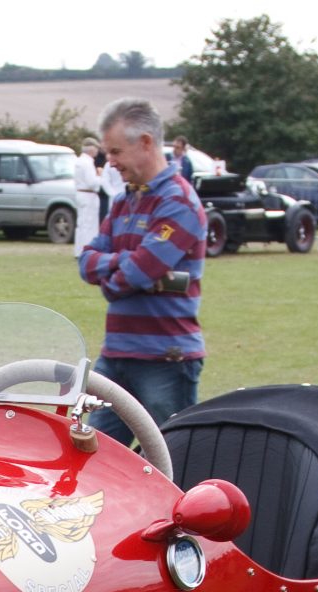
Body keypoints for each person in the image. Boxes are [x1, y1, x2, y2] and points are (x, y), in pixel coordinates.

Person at [79, 98, 206, 444]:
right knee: (95, 460)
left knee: (171, 462)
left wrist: (115, 271)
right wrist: (123, 267)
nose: (111, 163)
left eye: (116, 152)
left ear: (146, 143)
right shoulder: (123, 201)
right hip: (116, 356)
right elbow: (86, 261)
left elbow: (137, 271)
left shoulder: (178, 202)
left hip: (165, 360)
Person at [70, 136, 102, 253]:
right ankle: (87, 249)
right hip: (88, 195)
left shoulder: (79, 161)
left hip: (80, 194)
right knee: (89, 224)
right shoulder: (88, 163)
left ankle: (78, 250)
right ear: (92, 149)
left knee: (81, 224)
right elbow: (92, 183)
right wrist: (100, 176)